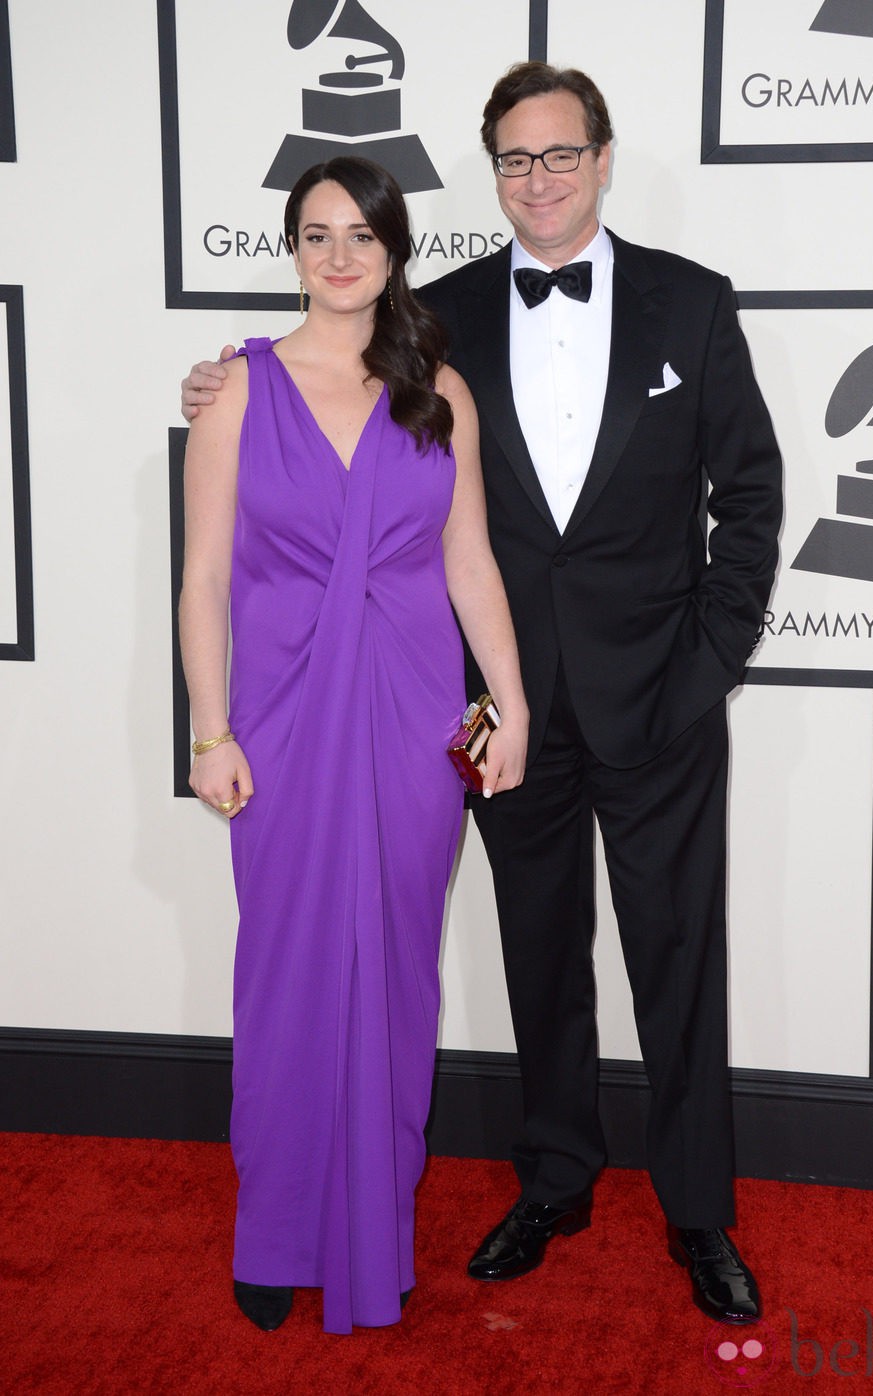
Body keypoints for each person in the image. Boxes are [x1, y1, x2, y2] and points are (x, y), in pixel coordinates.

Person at [181, 62, 782, 1326]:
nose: (539, 179)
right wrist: (211, 391)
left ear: (602, 159)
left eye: (560, 154)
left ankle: (697, 1212)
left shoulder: (691, 305)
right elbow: (328, 415)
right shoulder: (437, 321)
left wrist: (708, 667)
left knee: (676, 960)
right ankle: (555, 1178)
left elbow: (751, 495)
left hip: (654, 702)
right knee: (535, 960)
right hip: (495, 718)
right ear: (492, 174)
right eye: (513, 159)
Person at [178, 155, 528, 1337]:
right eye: (316, 234)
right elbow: (203, 578)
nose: (338, 256)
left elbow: (468, 559)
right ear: (291, 249)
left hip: (411, 722)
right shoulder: (233, 388)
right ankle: (274, 1230)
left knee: (393, 975)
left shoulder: (440, 389)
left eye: (360, 235)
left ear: (391, 249)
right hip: (274, 727)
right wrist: (208, 729)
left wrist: (510, 705)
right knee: (282, 978)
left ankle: (372, 1232)